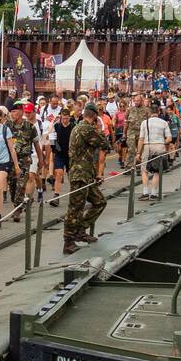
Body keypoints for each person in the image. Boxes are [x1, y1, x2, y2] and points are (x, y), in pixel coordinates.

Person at [63, 106, 111, 254]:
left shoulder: (78, 127)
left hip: (86, 174)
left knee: (99, 201)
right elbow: (105, 144)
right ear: (95, 117)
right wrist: (99, 130)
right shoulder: (86, 129)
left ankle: (81, 230)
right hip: (80, 175)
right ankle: (68, 241)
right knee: (75, 209)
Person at [139, 104, 172, 199]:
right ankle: (153, 193)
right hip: (159, 147)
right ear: (158, 112)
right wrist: (162, 142)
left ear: (149, 112)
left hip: (147, 146)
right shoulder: (164, 123)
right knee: (157, 171)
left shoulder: (144, 123)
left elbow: (141, 139)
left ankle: (145, 193)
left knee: (144, 170)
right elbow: (169, 139)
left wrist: (138, 153)